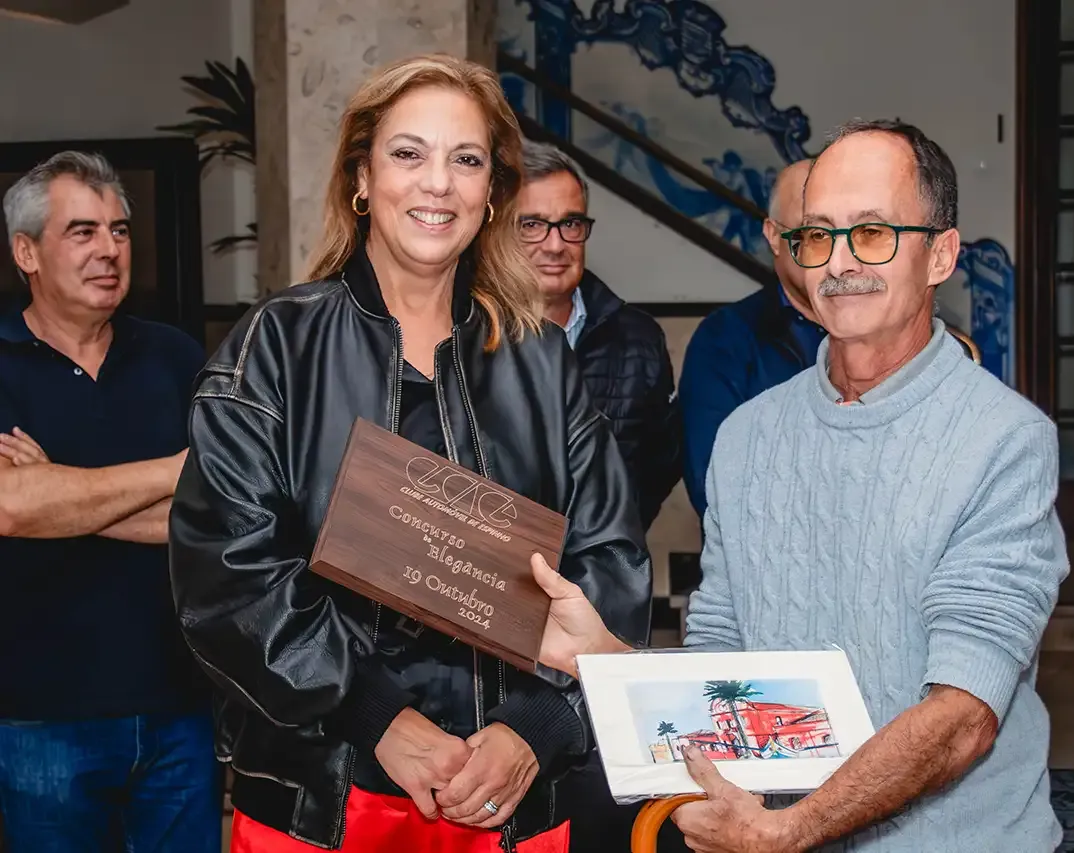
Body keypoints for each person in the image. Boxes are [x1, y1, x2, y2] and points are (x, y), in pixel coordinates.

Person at [525, 119, 1070, 853]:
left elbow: (963, 717)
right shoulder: (748, 436)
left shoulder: (1003, 440)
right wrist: (609, 662)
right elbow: (723, 662)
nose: (840, 262)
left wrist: (785, 832)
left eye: (872, 233)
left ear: (940, 254)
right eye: (818, 236)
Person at [166, 54, 652, 853]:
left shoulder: (542, 360)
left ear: (491, 193)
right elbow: (228, 573)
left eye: (466, 160)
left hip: (511, 799)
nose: (438, 183)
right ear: (362, 177)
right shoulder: (276, 348)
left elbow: (611, 560)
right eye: (407, 153)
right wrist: (378, 716)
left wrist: (535, 727)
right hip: (326, 799)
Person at [0, 151, 220, 853]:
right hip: (40, 715)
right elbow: (11, 507)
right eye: (82, 231)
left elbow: (222, 512)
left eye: (119, 230)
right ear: (26, 253)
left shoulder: (176, 357)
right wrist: (176, 470)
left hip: (180, 704)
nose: (109, 249)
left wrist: (60, 494)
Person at [515, 138, 681, 530]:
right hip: (490, 560)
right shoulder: (462, 331)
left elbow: (659, 464)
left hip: (600, 564)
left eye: (570, 224)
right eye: (532, 225)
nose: (555, 245)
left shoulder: (638, 338)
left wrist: (612, 539)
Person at [678, 158, 825, 520]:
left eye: (841, 233)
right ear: (773, 236)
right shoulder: (724, 339)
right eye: (811, 234)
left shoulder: (876, 332)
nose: (829, 252)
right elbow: (714, 487)